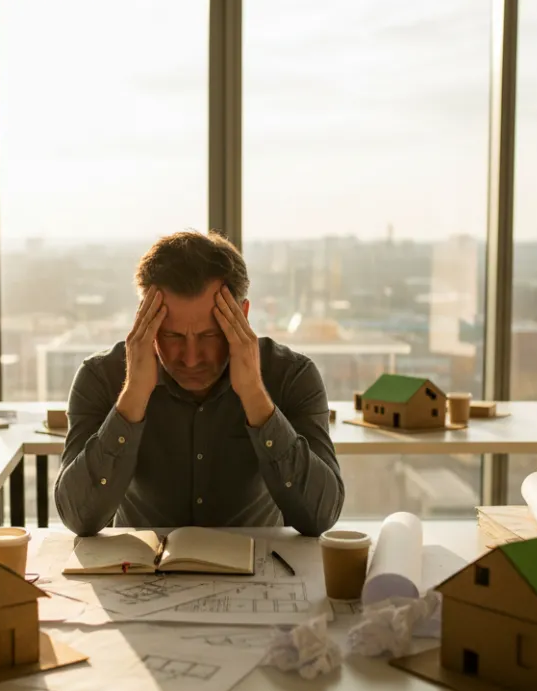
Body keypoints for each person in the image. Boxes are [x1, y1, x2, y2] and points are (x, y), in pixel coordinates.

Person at [54, 230, 344, 537]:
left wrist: (255, 397)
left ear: (242, 316)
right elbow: (78, 517)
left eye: (209, 336)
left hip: (258, 573)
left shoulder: (291, 375)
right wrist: (133, 397)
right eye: (173, 336)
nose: (191, 359)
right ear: (144, 319)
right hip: (140, 575)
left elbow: (320, 516)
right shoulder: (101, 376)